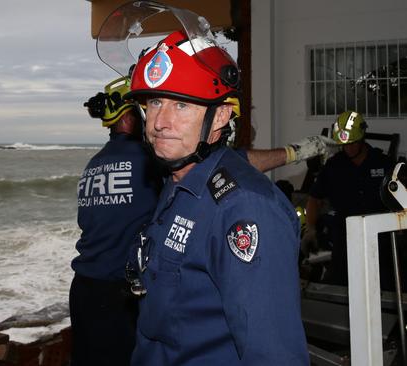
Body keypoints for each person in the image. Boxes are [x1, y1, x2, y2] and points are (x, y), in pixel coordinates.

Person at [123, 26, 308, 365]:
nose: (160, 122)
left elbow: (272, 352)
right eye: (155, 102)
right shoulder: (177, 183)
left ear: (220, 116)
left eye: (181, 105)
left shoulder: (244, 207)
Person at [69, 76, 161, 366]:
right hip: (120, 294)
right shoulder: (148, 160)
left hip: (83, 290)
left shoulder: (93, 164)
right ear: (133, 115)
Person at [303, 110, 394, 288]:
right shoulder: (334, 166)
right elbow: (314, 198)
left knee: (384, 290)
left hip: (380, 242)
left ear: (362, 138)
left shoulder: (383, 163)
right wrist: (310, 228)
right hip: (344, 243)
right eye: (344, 144)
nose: (348, 148)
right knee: (341, 291)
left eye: (352, 143)